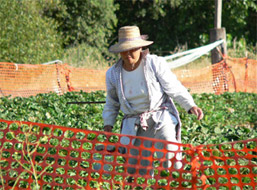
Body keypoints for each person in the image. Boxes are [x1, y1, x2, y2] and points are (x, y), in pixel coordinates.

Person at [102, 26, 203, 179]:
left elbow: (173, 87)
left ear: (140, 47)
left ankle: (171, 183)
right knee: (136, 169)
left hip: (160, 118)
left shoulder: (153, 63)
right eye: (124, 51)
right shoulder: (113, 73)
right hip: (133, 123)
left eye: (133, 50)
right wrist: (108, 124)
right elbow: (112, 102)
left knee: (171, 152)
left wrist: (190, 105)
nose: (128, 54)